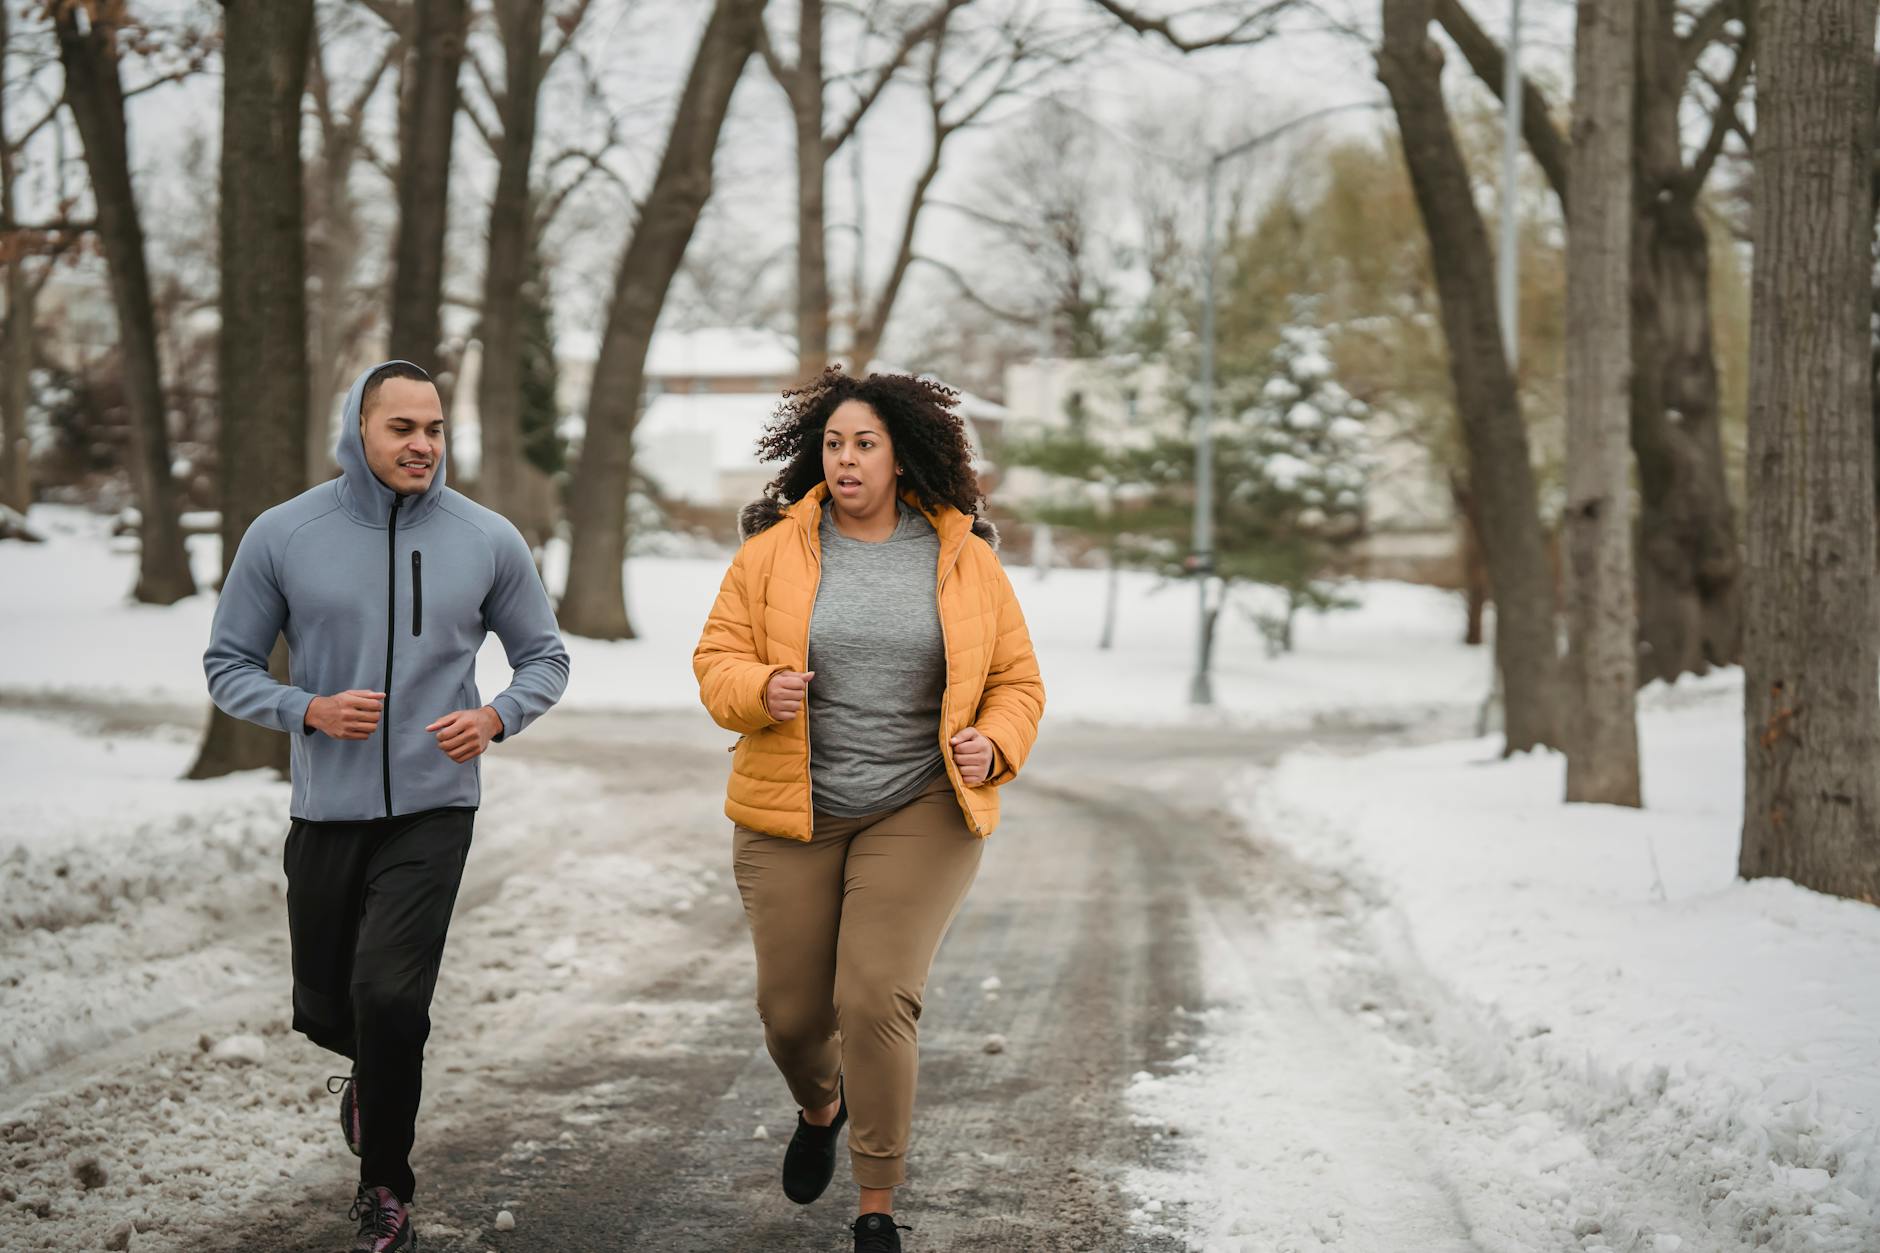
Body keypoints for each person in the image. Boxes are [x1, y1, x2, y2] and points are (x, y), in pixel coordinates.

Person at [203, 360, 570, 1252]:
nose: (421, 444)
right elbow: (227, 666)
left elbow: (546, 658)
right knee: (332, 1007)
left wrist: (493, 717)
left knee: (390, 993)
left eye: (433, 428)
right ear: (358, 432)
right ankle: (369, 1073)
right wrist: (308, 710)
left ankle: (385, 1190)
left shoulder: (486, 538)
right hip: (326, 808)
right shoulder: (286, 534)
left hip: (436, 808)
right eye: (401, 427)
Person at [694, 368, 1045, 1253]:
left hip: (919, 804)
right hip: (793, 807)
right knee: (791, 1016)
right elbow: (715, 659)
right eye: (834, 444)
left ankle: (875, 1204)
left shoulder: (964, 555)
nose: (846, 460)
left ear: (901, 456)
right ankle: (821, 1103)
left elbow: (1017, 682)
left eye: (865, 444)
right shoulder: (773, 550)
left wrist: (993, 743)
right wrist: (758, 687)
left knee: (876, 993)